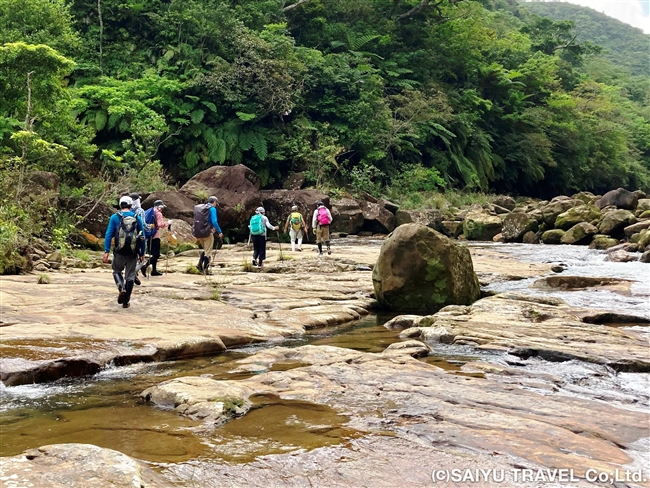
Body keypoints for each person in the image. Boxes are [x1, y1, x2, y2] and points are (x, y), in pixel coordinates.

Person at [102, 195, 145, 309]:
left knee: (116, 271)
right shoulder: (137, 217)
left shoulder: (115, 217)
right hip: (132, 252)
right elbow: (142, 237)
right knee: (130, 276)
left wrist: (106, 251)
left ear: (120, 205)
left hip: (119, 252)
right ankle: (126, 302)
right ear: (131, 206)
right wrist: (142, 253)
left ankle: (121, 288)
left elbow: (108, 235)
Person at [192, 196, 223, 274]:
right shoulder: (212, 209)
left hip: (199, 232)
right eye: (216, 203)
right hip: (207, 233)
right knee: (208, 252)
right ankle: (205, 270)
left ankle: (199, 265)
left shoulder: (201, 208)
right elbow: (214, 221)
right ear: (214, 202)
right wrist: (219, 232)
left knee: (206, 250)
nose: (216, 204)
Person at [141, 200, 171, 277]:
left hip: (149, 234)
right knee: (156, 254)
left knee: (153, 254)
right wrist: (168, 223)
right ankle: (145, 266)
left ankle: (154, 270)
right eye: (162, 207)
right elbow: (160, 224)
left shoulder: (149, 211)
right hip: (155, 235)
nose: (162, 209)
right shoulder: (158, 213)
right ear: (159, 207)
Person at [129, 192, 145, 285]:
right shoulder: (140, 211)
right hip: (138, 237)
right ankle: (134, 272)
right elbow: (142, 226)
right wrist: (150, 227)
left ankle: (131, 273)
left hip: (128, 237)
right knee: (141, 258)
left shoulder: (127, 210)